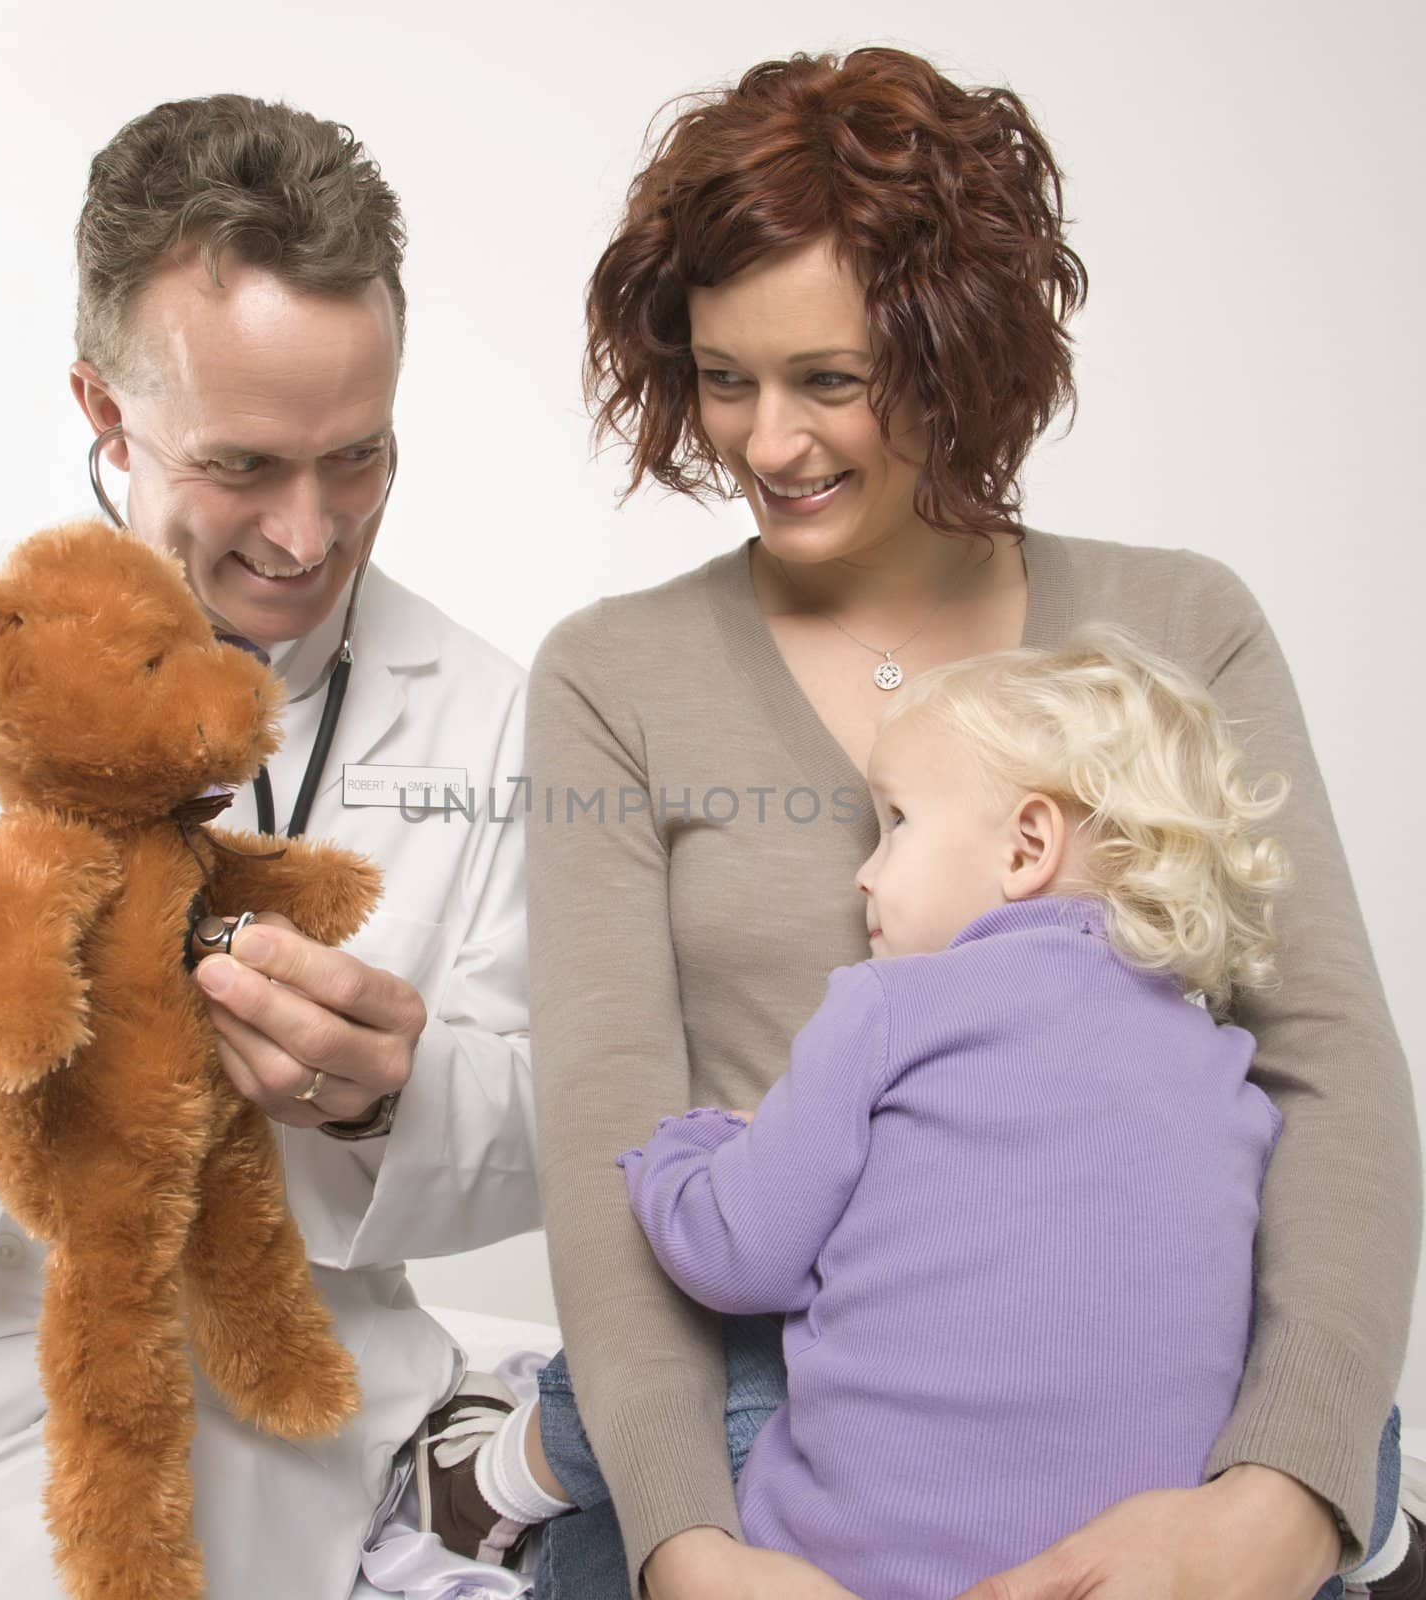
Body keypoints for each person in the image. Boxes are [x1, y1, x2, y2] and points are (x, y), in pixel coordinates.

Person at [524, 47, 1421, 1600]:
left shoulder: (1178, 625)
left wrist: (1279, 1502)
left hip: (1154, 1390)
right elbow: (610, 1129)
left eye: (831, 380)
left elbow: (1330, 1070)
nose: (768, 444)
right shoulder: (616, 676)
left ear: (956, 358)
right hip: (777, 1401)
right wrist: (688, 1549)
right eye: (726, 378)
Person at [0, 95, 537, 1600]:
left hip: (280, 1395)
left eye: (360, 457)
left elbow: (557, 1113)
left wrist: (385, 1105)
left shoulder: (493, 714)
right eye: (240, 467)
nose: (306, 532)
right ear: (102, 410)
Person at [621, 628, 1295, 1599]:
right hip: (1135, 1572)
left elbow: (736, 1253)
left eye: (893, 822)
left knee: (657, 1364)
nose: (863, 871)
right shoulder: (1223, 1068)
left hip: (841, 1571)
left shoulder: (889, 1004)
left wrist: (685, 1148)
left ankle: (502, 1483)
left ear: (1026, 845)